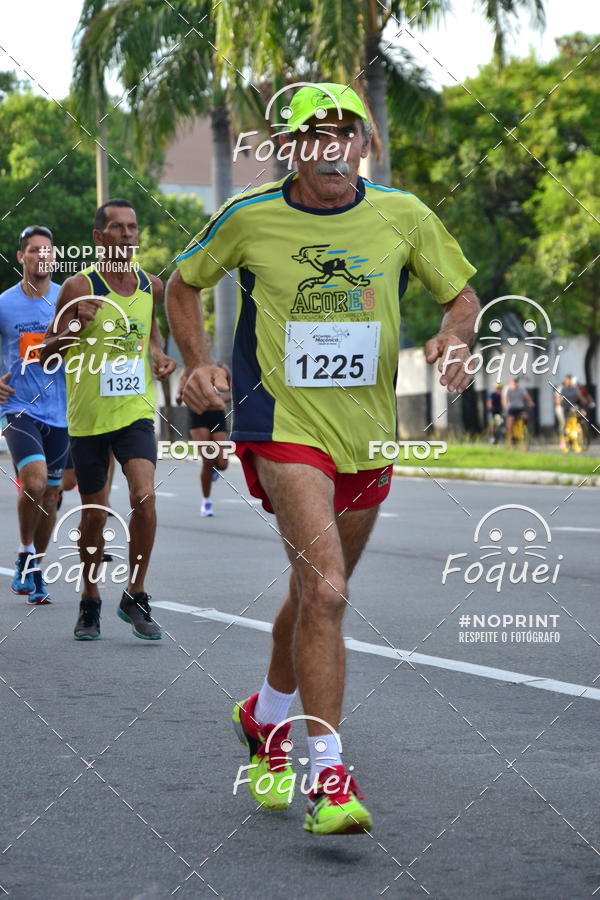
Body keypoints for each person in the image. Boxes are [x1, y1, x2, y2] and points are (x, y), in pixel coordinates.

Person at [166, 82, 480, 834]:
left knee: (313, 597)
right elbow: (181, 284)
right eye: (315, 136)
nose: (331, 148)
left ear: (364, 146)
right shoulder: (250, 217)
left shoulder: (403, 214)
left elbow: (461, 297)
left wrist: (456, 337)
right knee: (330, 590)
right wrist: (199, 362)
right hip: (282, 426)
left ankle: (264, 717)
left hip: (367, 437)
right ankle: (329, 776)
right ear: (290, 150)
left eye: (346, 134)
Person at [41, 199, 176, 640]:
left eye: (133, 228)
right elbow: (45, 355)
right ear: (98, 238)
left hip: (135, 411)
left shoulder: (152, 286)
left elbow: (152, 334)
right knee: (95, 514)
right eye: (117, 228)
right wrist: (74, 328)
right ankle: (90, 596)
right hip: (89, 417)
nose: (127, 235)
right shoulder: (79, 287)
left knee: (144, 498)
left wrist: (158, 355)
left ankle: (135, 595)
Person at [0, 225, 68, 604]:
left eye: (48, 250)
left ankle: (37, 567)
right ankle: (25, 551)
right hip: (18, 408)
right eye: (34, 250)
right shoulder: (5, 304)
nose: (42, 256)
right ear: (21, 257)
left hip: (62, 411)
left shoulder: (67, 300)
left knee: (52, 496)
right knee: (36, 482)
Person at [186, 334, 230, 516]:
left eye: (206, 341)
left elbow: (232, 391)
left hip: (217, 415)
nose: (203, 344)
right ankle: (206, 502)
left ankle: (214, 469)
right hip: (198, 417)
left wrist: (218, 399)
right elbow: (182, 394)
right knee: (207, 460)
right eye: (200, 341)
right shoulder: (190, 369)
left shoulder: (221, 367)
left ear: (210, 344)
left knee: (223, 463)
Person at [554, 374, 585, 451]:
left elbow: (580, 397)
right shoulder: (561, 388)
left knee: (578, 417)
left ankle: (576, 437)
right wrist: (559, 402)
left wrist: (585, 403)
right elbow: (557, 400)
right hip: (562, 407)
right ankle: (563, 442)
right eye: (567, 380)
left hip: (572, 407)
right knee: (563, 423)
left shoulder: (575, 389)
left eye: (569, 380)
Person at [502, 377, 534, 442]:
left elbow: (526, 396)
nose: (515, 384)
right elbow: (504, 399)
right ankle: (511, 437)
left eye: (516, 382)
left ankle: (523, 429)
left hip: (520, 408)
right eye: (514, 382)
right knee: (510, 421)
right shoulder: (507, 389)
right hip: (511, 408)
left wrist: (530, 402)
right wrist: (505, 405)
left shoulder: (521, 389)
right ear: (510, 383)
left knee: (525, 417)